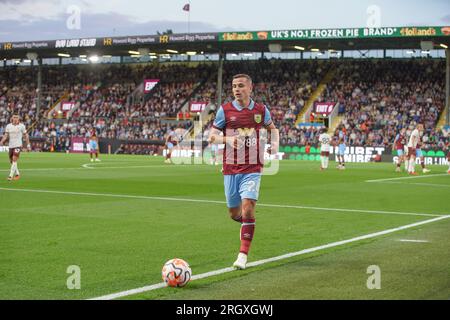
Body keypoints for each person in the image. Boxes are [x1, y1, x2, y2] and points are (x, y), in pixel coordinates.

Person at [208, 74, 279, 270]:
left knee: (248, 206)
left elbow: (273, 129)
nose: (236, 89)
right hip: (231, 168)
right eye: (233, 86)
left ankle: (242, 255)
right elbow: (211, 137)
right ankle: (248, 224)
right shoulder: (225, 110)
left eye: (240, 86)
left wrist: (274, 144)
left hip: (253, 167)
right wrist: (228, 140)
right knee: (234, 213)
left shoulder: (261, 110)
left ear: (250, 88)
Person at [0, 114, 31, 181]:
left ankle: (10, 176)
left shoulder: (22, 126)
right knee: (12, 161)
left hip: (18, 145)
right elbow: (6, 135)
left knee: (14, 159)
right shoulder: (8, 126)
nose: (15, 118)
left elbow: (26, 136)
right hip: (11, 145)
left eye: (17, 117)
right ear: (12, 118)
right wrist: (2, 141)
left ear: (19, 118)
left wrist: (28, 145)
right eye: (14, 117)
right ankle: (17, 174)